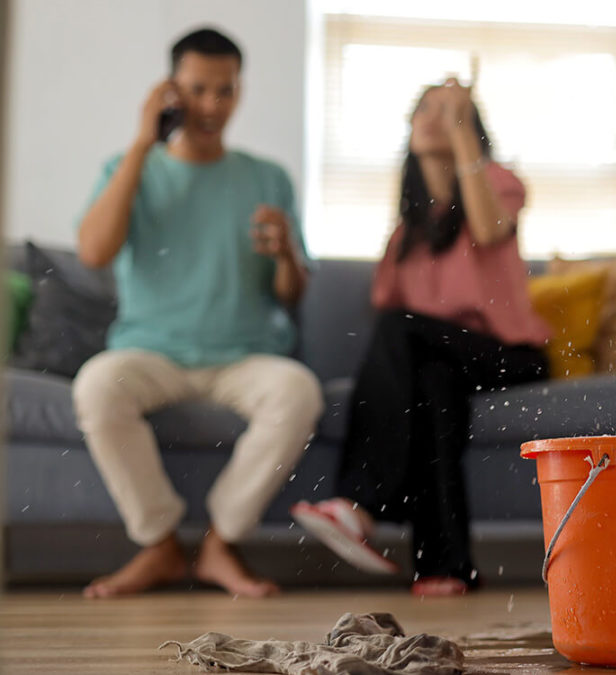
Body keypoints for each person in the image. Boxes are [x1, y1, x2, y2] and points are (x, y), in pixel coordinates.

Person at [72, 28, 323, 599]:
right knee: (96, 387)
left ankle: (219, 544)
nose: (212, 105)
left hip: (245, 356)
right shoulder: (128, 168)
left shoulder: (268, 177)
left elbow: (291, 293)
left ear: (239, 91)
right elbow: (93, 253)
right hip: (150, 352)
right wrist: (142, 143)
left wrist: (286, 250)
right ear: (171, 92)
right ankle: (159, 545)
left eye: (225, 90)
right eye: (198, 89)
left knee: (298, 392)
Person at [292, 79, 550, 596]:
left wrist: (463, 139)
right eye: (424, 109)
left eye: (451, 111)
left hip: (509, 355)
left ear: (471, 129)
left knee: (403, 333)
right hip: (446, 362)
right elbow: (393, 313)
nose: (434, 118)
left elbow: (490, 228)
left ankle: (360, 506)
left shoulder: (497, 181)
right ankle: (445, 566)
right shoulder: (406, 234)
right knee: (433, 388)